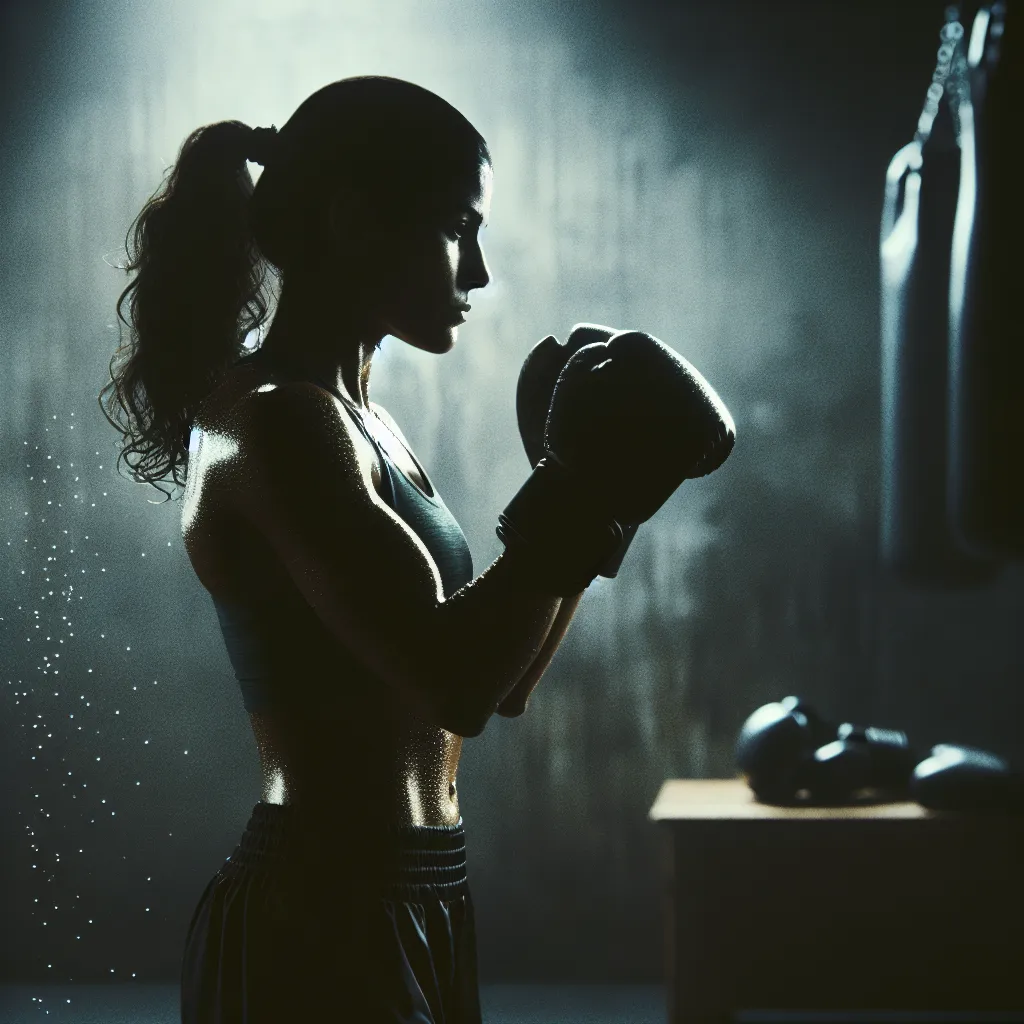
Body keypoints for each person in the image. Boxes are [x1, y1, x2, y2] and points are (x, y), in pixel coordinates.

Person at [99, 75, 734, 1022]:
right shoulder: (277, 422)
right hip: (319, 912)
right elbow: (455, 682)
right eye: (455, 228)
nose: (476, 270)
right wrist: (574, 488)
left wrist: (602, 499)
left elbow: (501, 684)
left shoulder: (368, 425)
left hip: (421, 891)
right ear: (356, 221)